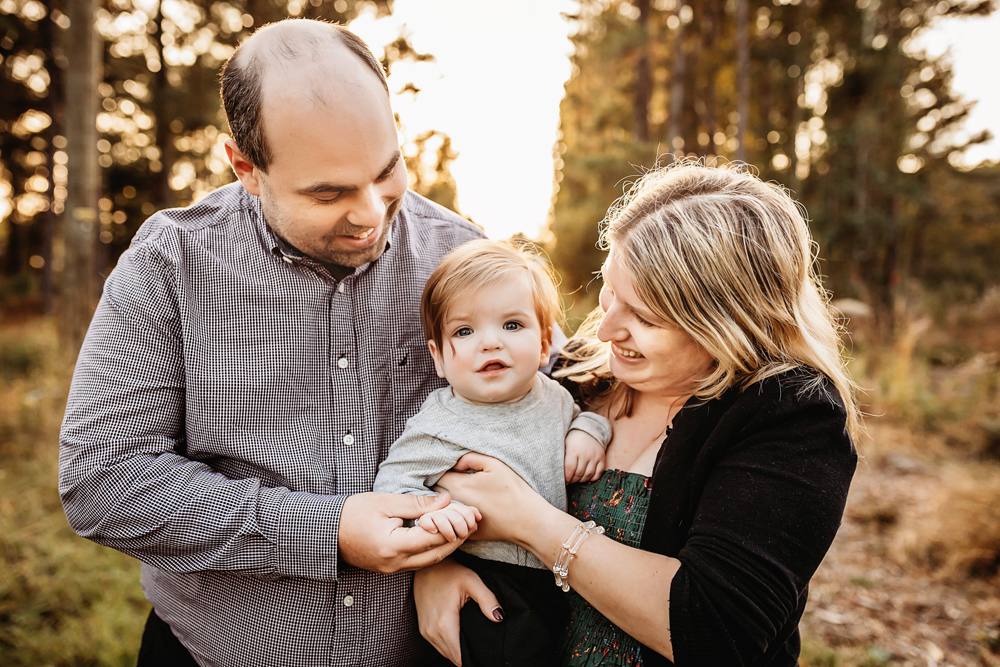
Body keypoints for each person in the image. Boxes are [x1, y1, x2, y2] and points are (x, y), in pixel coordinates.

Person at [58, 19, 491, 667]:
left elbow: (545, 415)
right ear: (245, 167)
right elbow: (102, 478)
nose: (372, 211)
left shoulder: (463, 254)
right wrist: (326, 530)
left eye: (387, 170)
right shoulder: (172, 262)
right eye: (329, 192)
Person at [414, 160, 862, 667]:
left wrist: (530, 523)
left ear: (727, 325)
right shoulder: (574, 377)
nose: (604, 332)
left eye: (645, 317)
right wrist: (434, 569)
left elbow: (718, 630)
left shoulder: (791, 420)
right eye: (609, 296)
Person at [373, 239, 612, 666]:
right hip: (489, 579)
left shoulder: (555, 397)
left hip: (558, 573)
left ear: (544, 344)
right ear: (440, 358)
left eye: (512, 325)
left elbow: (585, 416)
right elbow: (393, 484)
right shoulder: (440, 421)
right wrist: (430, 515)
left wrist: (588, 432)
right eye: (465, 331)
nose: (490, 343)